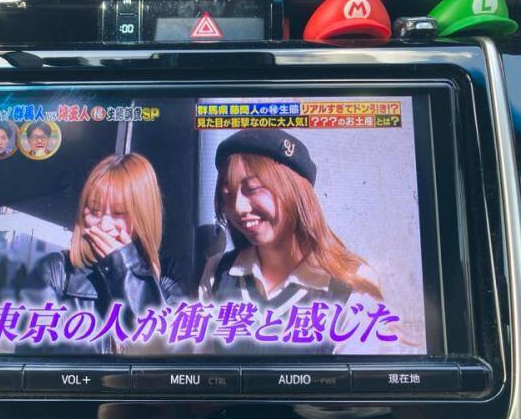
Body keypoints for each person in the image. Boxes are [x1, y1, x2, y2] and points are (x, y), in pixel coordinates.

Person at [199, 128, 398, 354]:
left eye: (252, 189)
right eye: (227, 194)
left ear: (293, 191)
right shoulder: (217, 273)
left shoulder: (350, 285)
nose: (238, 207)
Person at [27, 152, 182, 353]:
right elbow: (33, 359)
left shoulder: (166, 280)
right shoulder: (55, 271)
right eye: (94, 211)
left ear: (143, 216)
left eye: (119, 213)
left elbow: (165, 351)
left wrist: (127, 269)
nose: (104, 225)